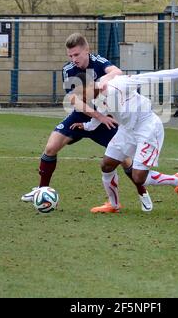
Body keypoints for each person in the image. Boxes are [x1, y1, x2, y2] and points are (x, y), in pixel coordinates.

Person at [21, 32, 153, 211]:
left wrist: (103, 81)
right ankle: (42, 190)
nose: (73, 59)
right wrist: (97, 116)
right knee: (51, 147)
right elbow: (74, 100)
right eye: (70, 56)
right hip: (82, 116)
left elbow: (117, 72)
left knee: (124, 160)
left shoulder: (98, 61)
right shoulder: (68, 70)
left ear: (86, 51)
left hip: (105, 119)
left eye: (76, 55)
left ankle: (143, 193)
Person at [70, 63, 178, 213]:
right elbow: (102, 114)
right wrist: (85, 126)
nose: (82, 98)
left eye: (82, 93)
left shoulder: (118, 84)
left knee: (138, 177)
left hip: (147, 128)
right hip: (127, 131)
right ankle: (114, 204)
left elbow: (149, 78)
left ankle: (177, 180)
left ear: (91, 85)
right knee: (107, 165)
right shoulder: (97, 98)